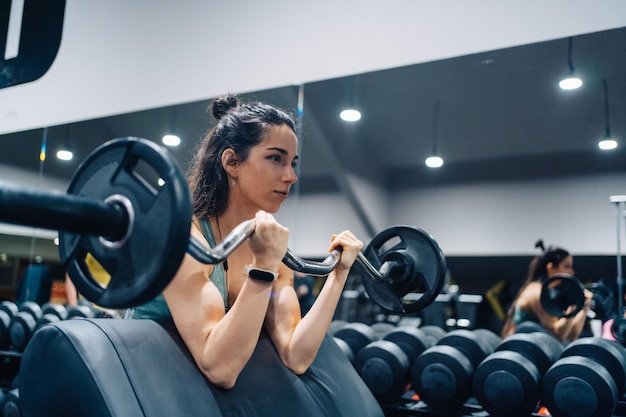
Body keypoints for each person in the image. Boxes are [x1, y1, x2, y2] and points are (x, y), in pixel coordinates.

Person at [125, 94, 363, 389]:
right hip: (138, 386)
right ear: (232, 162)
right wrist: (263, 266)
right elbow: (220, 368)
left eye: (293, 163)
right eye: (276, 158)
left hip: (187, 391)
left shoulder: (269, 245)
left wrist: (339, 274)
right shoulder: (186, 239)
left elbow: (296, 355)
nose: (291, 176)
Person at [500, 239, 591, 342]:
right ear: (551, 267)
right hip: (517, 348)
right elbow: (558, 334)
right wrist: (572, 303)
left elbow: (570, 336)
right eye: (567, 267)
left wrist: (583, 305)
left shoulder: (552, 293)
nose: (572, 272)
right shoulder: (535, 292)